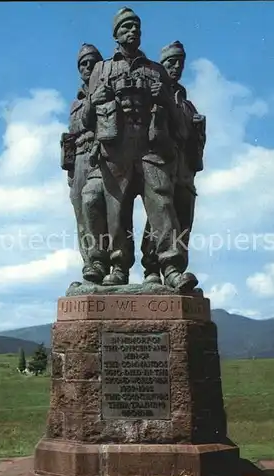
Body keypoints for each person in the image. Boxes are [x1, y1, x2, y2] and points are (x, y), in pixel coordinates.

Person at [81, 7, 188, 287]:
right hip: (116, 149)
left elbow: (178, 122)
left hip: (151, 145)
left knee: (162, 205)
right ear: (115, 34)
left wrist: (164, 97)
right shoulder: (102, 69)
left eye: (137, 27)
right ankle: (119, 267)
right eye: (127, 27)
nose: (134, 31)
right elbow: (84, 120)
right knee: (117, 211)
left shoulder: (156, 70)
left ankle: (171, 267)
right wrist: (94, 101)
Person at [141, 40, 206, 288]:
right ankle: (155, 269)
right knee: (161, 213)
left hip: (184, 170)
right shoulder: (152, 93)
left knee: (183, 219)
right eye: (170, 62)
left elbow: (193, 142)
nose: (176, 67)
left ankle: (175, 274)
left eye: (180, 62)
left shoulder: (188, 106)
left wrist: (199, 131)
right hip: (159, 162)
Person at [60, 43, 110, 283]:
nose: (87, 67)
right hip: (80, 159)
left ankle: (108, 264)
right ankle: (91, 266)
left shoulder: (108, 92)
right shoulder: (76, 101)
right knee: (82, 215)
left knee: (102, 210)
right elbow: (75, 128)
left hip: (103, 157)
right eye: (83, 64)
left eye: (92, 62)